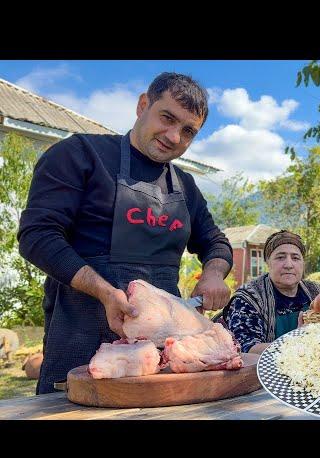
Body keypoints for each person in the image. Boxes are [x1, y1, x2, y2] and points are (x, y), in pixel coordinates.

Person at [18, 72, 233, 394]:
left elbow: (215, 242)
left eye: (188, 131)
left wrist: (215, 274)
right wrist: (106, 292)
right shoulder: (80, 154)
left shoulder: (185, 186)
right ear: (142, 105)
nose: (174, 136)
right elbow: (38, 236)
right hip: (80, 339)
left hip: (162, 350)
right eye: (167, 118)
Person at [223, 230, 320, 354]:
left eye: (295, 258)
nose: (289, 265)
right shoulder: (248, 299)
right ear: (268, 262)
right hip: (265, 371)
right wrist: (295, 341)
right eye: (280, 257)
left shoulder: (316, 293)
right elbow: (245, 348)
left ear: (303, 263)